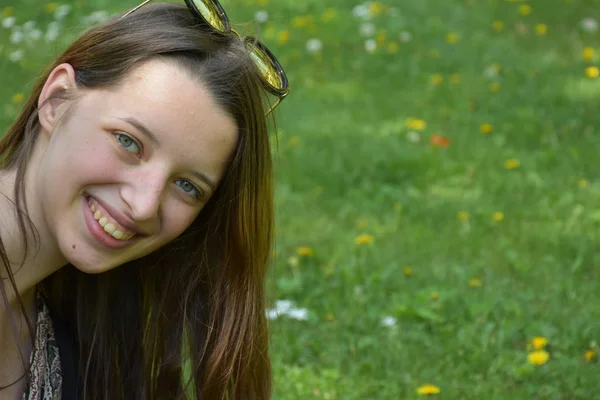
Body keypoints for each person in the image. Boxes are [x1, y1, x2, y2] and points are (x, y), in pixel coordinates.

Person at [0, 0, 289, 399]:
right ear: (56, 100)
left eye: (188, 186)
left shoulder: (76, 343)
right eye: (128, 142)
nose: (144, 205)